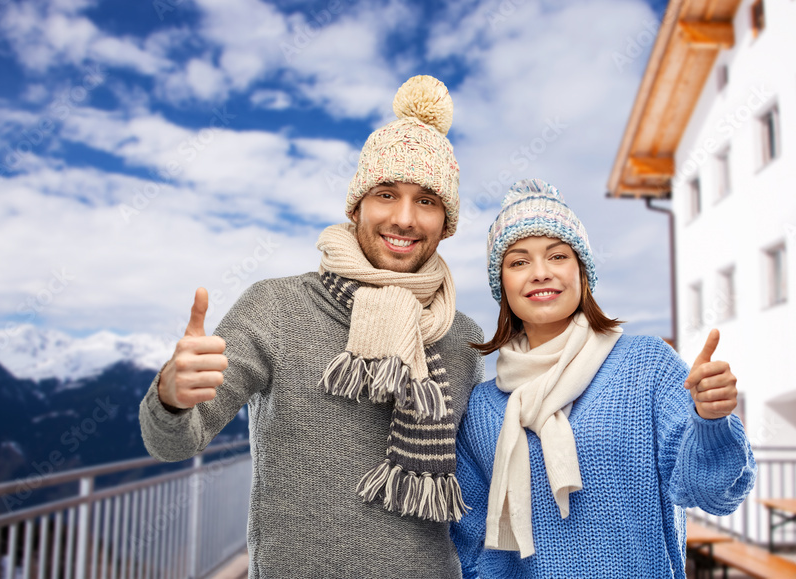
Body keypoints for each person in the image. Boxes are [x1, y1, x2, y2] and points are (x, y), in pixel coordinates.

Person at [139, 75, 485, 579]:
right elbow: (175, 443)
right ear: (357, 206)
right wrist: (171, 397)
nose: (405, 218)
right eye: (386, 194)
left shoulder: (461, 337)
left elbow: (482, 483)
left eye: (427, 200)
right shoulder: (276, 306)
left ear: (446, 222)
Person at [450, 178, 756, 578]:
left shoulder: (648, 366)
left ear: (583, 271)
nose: (540, 273)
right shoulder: (483, 410)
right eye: (519, 261)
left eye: (557, 256)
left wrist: (712, 420)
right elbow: (473, 546)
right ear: (502, 285)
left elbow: (713, 494)